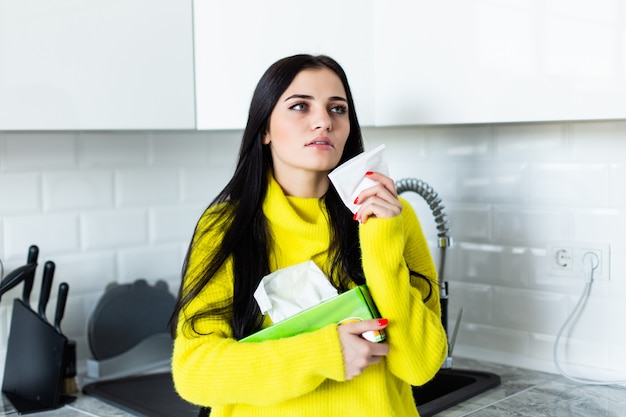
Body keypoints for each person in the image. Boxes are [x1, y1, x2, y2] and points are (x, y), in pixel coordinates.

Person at [170, 54, 448, 417]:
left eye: (338, 109)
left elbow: (420, 365)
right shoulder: (225, 227)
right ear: (265, 129)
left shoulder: (391, 217)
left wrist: (380, 239)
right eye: (300, 106)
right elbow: (194, 374)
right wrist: (324, 353)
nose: (323, 122)